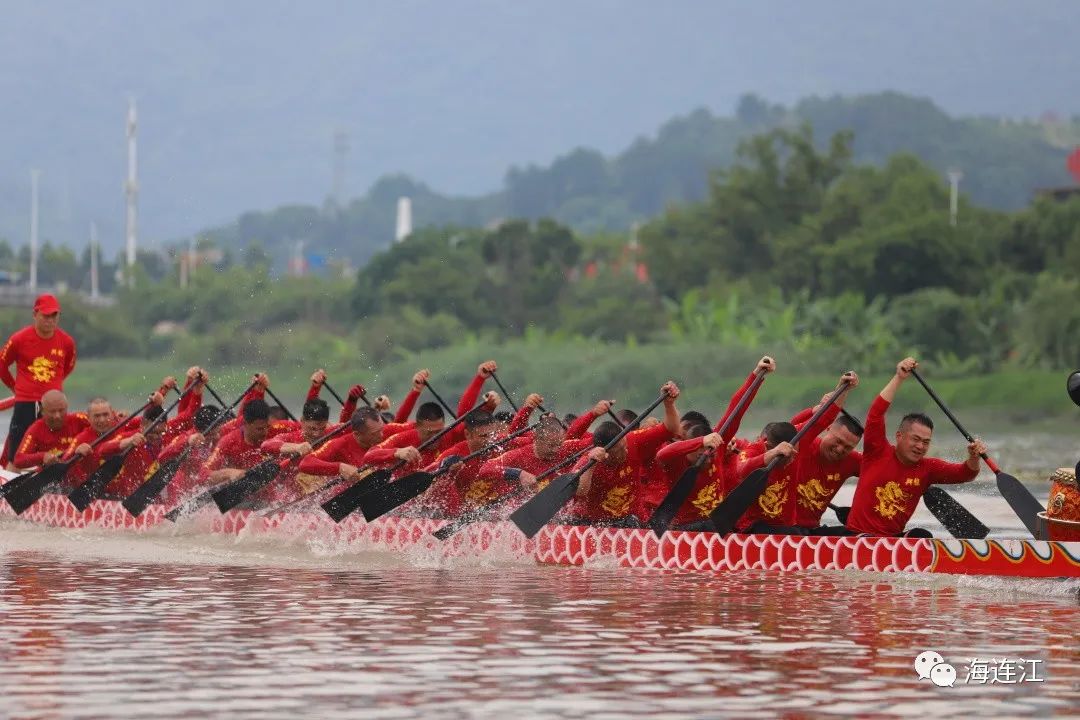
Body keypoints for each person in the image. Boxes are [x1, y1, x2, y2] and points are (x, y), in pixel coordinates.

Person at [846, 358, 985, 537]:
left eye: (926, 442)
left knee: (922, 535)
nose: (920, 446)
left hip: (893, 542)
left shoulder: (928, 469)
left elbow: (966, 474)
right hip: (858, 537)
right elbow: (876, 413)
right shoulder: (877, 450)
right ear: (899, 436)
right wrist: (899, 378)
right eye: (916, 439)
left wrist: (974, 457)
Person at [566, 381, 682, 527]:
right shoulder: (589, 460)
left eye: (625, 446)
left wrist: (669, 404)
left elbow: (670, 428)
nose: (626, 451)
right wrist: (590, 467)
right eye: (620, 450)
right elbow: (580, 491)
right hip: (590, 523)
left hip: (629, 520)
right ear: (606, 453)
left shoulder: (633, 440)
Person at [0, 294, 77, 467]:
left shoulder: (66, 342)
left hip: (54, 405)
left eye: (54, 316)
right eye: (45, 316)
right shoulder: (19, 339)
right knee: (17, 450)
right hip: (26, 401)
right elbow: (2, 365)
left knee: (57, 448)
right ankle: (10, 482)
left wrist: (54, 386)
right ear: (35, 315)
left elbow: (68, 366)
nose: (50, 320)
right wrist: (15, 388)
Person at [791, 413, 864, 534]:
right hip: (785, 527)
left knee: (857, 533)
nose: (840, 449)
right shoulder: (803, 444)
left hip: (812, 530)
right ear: (828, 429)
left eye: (848, 447)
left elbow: (882, 470)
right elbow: (790, 429)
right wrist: (814, 410)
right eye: (838, 441)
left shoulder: (852, 460)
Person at [295, 407, 388, 495]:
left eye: (382, 429)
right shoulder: (339, 444)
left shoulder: (387, 432)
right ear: (357, 434)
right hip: (343, 493)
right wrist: (339, 467)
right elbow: (305, 463)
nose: (382, 435)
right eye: (375, 434)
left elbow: (403, 429)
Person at [11, 389, 90, 471]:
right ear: (42, 411)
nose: (57, 416)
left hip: (81, 470)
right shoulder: (36, 429)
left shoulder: (79, 419)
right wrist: (42, 456)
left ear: (67, 408)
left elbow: (102, 423)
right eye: (52, 411)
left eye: (61, 410)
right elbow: (18, 460)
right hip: (52, 474)